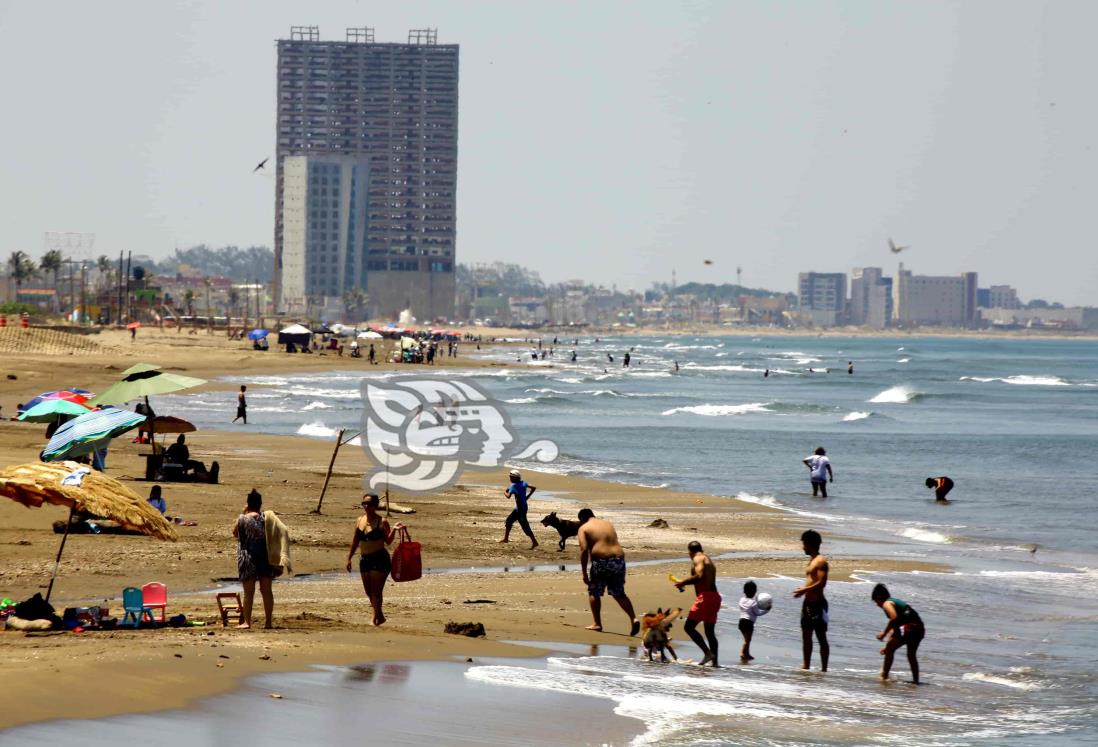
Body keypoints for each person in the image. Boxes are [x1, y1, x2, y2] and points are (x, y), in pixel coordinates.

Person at [577, 508, 639, 635]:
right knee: (619, 593)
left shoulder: (584, 528)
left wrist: (583, 572)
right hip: (619, 560)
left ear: (582, 519)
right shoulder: (608, 524)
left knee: (594, 591)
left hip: (602, 561)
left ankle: (597, 623)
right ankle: (634, 618)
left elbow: (583, 549)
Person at [345, 493, 402, 626]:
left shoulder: (382, 522)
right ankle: (380, 616)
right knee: (368, 591)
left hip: (379, 559)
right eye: (364, 503)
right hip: (364, 559)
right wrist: (349, 558)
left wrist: (393, 529)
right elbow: (355, 541)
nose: (366, 506)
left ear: (376, 506)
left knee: (376, 591)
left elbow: (388, 541)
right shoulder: (359, 520)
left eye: (369, 504)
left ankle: (375, 618)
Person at [231, 489, 274, 629]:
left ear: (248, 504)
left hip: (247, 557)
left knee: (249, 593)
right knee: (266, 590)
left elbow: (235, 533)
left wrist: (243, 513)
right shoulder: (266, 519)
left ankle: (247, 622)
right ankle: (268, 622)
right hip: (265, 557)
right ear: (260, 504)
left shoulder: (242, 518)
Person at [675, 540, 721, 666]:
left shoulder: (698, 558)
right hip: (715, 597)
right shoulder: (708, 559)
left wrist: (682, 582)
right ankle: (715, 663)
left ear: (690, 552)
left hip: (705, 598)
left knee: (688, 627)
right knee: (710, 632)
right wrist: (684, 584)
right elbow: (702, 580)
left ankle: (708, 653)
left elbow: (699, 576)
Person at [871, 583, 925, 684]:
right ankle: (916, 682)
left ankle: (884, 677)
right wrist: (888, 645)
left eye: (876, 601)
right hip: (919, 628)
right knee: (911, 655)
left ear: (879, 598)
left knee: (890, 649)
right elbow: (896, 625)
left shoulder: (887, 604)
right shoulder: (894, 602)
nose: (877, 605)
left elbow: (894, 618)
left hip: (909, 627)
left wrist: (883, 633)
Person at [793, 529, 830, 671]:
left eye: (804, 544)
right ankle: (806, 666)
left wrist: (804, 590)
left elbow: (822, 583)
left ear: (810, 544)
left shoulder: (821, 561)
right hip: (807, 603)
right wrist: (803, 590)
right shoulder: (812, 560)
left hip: (818, 604)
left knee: (821, 637)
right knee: (806, 636)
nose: (803, 547)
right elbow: (812, 581)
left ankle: (824, 670)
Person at [499, 469, 538, 549]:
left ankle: (535, 542)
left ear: (514, 478)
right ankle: (506, 539)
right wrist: (527, 497)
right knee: (509, 521)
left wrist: (504, 492)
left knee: (525, 526)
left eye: (511, 477)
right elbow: (534, 488)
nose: (510, 478)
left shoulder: (513, 486)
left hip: (521, 509)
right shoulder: (523, 483)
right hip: (522, 507)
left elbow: (508, 496)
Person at [738, 580, 769, 662]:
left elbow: (745, 606)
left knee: (746, 639)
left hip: (741, 622)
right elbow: (757, 613)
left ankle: (747, 653)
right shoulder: (754, 603)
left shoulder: (741, 600)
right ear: (755, 592)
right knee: (747, 640)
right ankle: (742, 653)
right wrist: (766, 610)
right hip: (749, 623)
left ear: (744, 591)